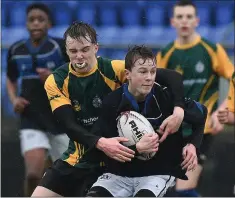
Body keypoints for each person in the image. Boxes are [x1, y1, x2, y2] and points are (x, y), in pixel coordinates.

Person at [32, 22, 188, 197]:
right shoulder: (56, 81)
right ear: (66, 51)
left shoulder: (114, 69)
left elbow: (172, 77)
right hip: (78, 158)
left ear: (95, 48)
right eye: (73, 51)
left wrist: (179, 110)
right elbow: (68, 125)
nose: (79, 56)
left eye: (85, 50)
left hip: (112, 165)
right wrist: (101, 143)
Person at [86, 45, 207, 197]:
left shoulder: (166, 96)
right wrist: (137, 149)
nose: (149, 77)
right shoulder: (112, 102)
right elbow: (102, 148)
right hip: (118, 175)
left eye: (153, 71)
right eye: (143, 72)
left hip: (157, 173)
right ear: (127, 74)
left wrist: (193, 144)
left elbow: (202, 114)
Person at [156, 0, 234, 196]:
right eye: (180, 17)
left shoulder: (211, 50)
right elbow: (155, 90)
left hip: (203, 130)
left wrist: (222, 110)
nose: (185, 21)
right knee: (174, 189)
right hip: (175, 131)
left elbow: (233, 79)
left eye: (189, 17)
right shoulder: (166, 54)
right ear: (172, 22)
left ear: (196, 20)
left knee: (184, 187)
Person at [6, 3, 69, 196]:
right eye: (31, 20)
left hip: (60, 118)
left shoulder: (60, 47)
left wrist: (54, 75)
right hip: (31, 117)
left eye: (40, 20)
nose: (35, 24)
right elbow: (11, 79)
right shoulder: (16, 50)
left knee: (64, 178)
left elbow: (76, 76)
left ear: (49, 24)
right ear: (26, 24)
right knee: (33, 174)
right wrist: (14, 99)